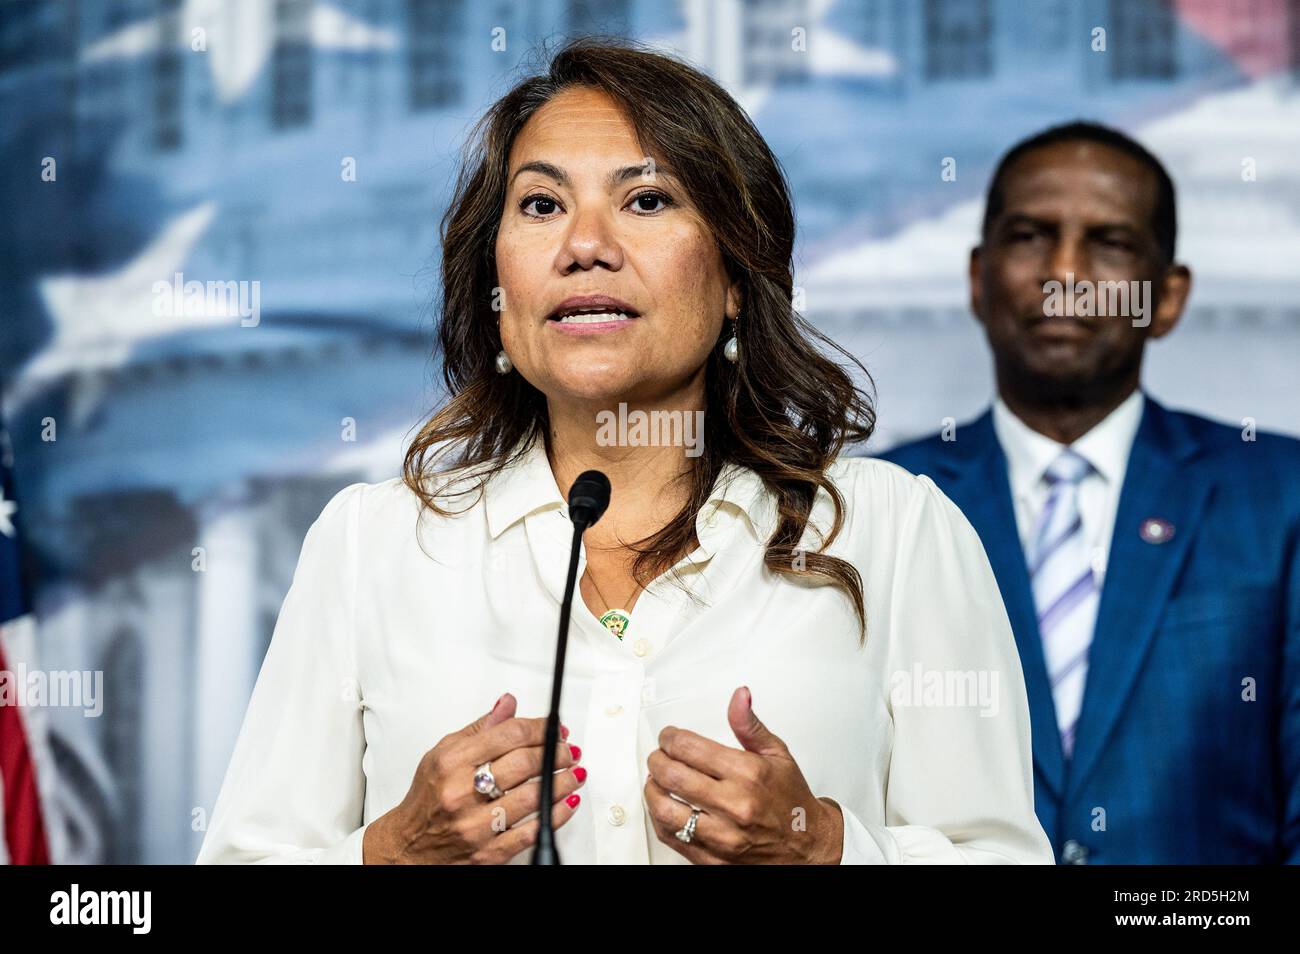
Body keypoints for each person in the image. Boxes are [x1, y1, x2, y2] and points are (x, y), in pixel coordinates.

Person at [196, 39, 1051, 865]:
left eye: (646, 201)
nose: (584, 245)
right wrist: (392, 855)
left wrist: (825, 851)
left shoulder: (893, 532)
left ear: (733, 281)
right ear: (496, 293)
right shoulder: (370, 546)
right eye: (541, 206)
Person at [882, 121, 1300, 864]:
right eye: (1029, 236)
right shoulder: (879, 504)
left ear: (1167, 298)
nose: (1065, 271)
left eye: (1109, 243)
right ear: (978, 279)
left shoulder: (1280, 498)